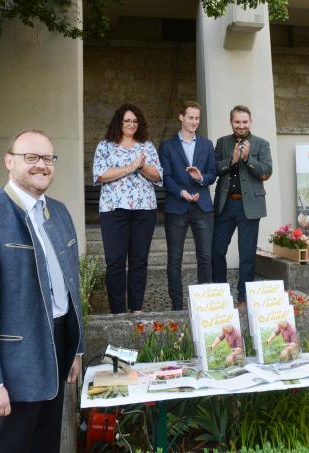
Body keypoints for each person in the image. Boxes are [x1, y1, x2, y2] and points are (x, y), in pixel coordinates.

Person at [0, 129, 85, 452]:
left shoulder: (60, 212)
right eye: (32, 157)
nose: (42, 165)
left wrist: (75, 349)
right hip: (12, 369)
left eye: (48, 158)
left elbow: (71, 289)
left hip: (55, 352)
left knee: (45, 446)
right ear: (9, 161)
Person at [93, 104, 163, 314]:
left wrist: (141, 166)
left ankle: (136, 308)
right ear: (119, 123)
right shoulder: (105, 146)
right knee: (115, 262)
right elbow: (99, 175)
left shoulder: (147, 146)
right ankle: (118, 311)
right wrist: (129, 167)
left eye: (135, 121)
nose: (131, 124)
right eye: (127, 121)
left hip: (144, 210)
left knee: (139, 260)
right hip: (114, 210)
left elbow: (158, 176)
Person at [212, 105, 273, 307]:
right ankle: (220, 296)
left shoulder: (262, 144)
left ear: (250, 121)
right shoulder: (222, 143)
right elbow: (214, 170)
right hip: (225, 204)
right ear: (231, 122)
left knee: (247, 254)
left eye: (244, 122)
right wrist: (232, 160)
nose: (241, 125)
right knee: (217, 251)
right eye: (237, 122)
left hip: (250, 206)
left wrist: (247, 159)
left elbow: (266, 172)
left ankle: (243, 298)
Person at [159, 101, 217, 310]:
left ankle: (205, 305)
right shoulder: (167, 146)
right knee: (174, 259)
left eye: (197, 118)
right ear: (181, 117)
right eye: (190, 117)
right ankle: (177, 305)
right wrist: (181, 192)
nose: (194, 122)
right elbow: (165, 177)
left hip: (202, 207)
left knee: (205, 257)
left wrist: (201, 177)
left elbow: (213, 174)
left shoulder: (206, 145)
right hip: (177, 206)